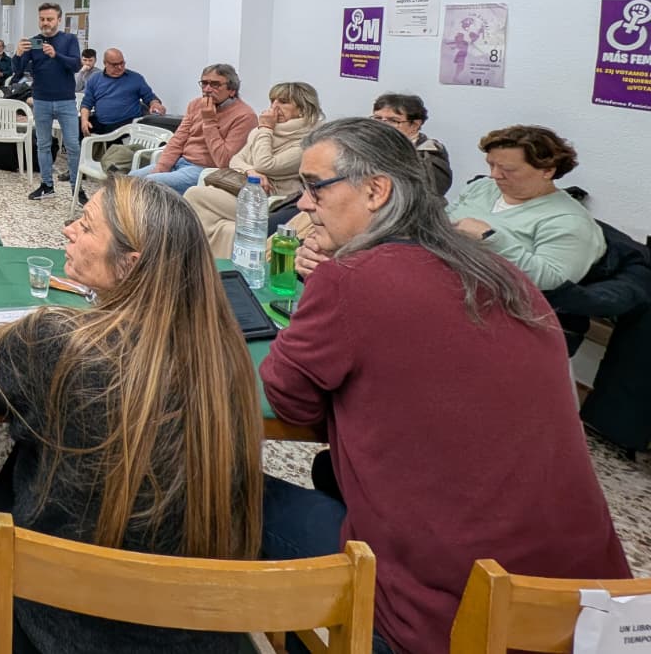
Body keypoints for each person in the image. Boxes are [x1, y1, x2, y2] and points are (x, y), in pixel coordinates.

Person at [260, 118, 628, 653]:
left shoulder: (351, 279)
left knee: (225, 496)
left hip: (447, 611)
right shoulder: (505, 274)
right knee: (330, 471)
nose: (304, 204)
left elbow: (289, 397)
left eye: (315, 186)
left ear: (376, 189)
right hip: (581, 605)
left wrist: (325, 293)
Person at [0, 176, 260, 654]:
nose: (68, 230)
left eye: (85, 227)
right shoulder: (226, 357)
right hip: (197, 629)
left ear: (130, 265)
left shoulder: (60, 340)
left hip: (62, 626)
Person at [446, 125, 605, 290]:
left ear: (548, 171)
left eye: (507, 169)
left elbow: (552, 280)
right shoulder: (482, 187)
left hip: (486, 293)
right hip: (443, 270)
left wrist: (490, 239)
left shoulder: (569, 221)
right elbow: (442, 219)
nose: (494, 174)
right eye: (491, 164)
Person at [182, 82, 323, 260]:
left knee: (195, 194)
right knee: (217, 222)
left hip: (270, 201)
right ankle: (203, 260)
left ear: (303, 108)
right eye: (273, 101)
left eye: (284, 102)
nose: (274, 107)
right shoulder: (264, 132)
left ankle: (191, 256)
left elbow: (266, 164)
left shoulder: (308, 141)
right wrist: (250, 171)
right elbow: (235, 160)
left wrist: (265, 130)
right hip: (243, 191)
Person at [129, 63, 255, 195]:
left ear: (232, 90)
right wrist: (161, 167)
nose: (207, 89)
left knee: (148, 184)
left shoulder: (245, 116)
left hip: (205, 170)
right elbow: (178, 140)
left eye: (215, 85)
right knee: (129, 179)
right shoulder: (195, 104)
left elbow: (224, 161)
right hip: (180, 162)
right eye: (204, 83)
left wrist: (209, 120)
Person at [15, 2, 84, 202]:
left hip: (65, 100)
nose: (45, 23)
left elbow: (76, 65)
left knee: (72, 145)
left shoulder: (69, 40)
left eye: (50, 19)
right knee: (43, 144)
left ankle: (76, 189)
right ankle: (46, 185)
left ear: (59, 20)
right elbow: (18, 71)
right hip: (41, 100)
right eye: (42, 19)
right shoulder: (34, 42)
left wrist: (56, 55)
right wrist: (18, 54)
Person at [370, 93, 452, 196]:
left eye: (393, 121)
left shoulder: (429, 154)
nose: (382, 125)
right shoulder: (368, 144)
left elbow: (430, 194)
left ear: (415, 124)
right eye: (378, 118)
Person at [79, 48, 165, 138]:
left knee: (114, 136)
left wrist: (155, 104)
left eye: (122, 63)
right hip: (101, 122)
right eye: (115, 65)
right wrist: (84, 121)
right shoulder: (95, 79)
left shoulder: (135, 78)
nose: (120, 67)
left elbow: (150, 97)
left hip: (126, 123)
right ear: (105, 63)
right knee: (78, 125)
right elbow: (86, 103)